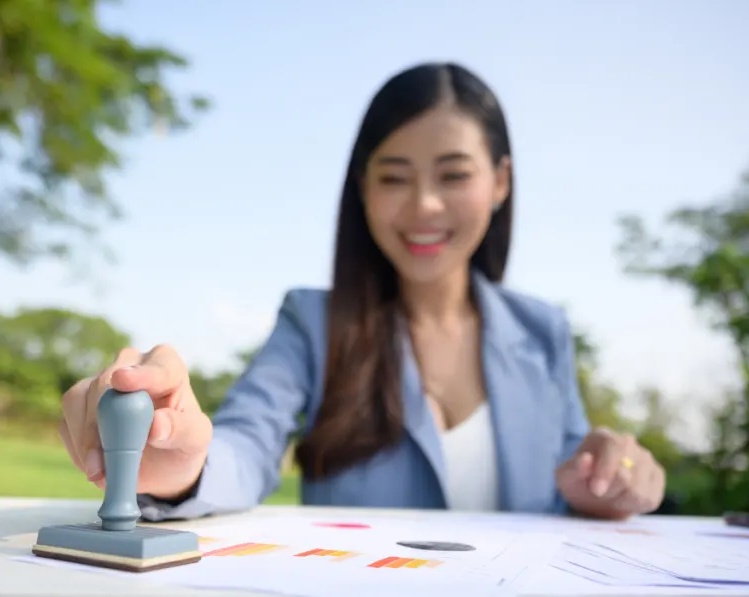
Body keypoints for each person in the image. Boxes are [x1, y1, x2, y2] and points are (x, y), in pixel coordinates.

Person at [59, 62, 667, 522]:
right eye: (395, 177)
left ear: (501, 181)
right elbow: (245, 446)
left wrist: (613, 479)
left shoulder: (544, 332)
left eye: (454, 175)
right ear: (363, 188)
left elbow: (573, 477)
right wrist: (182, 464)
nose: (425, 205)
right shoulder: (312, 321)